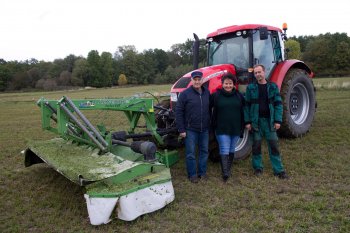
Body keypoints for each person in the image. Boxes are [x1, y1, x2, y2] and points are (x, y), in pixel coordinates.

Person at [245, 64, 289, 179]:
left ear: (264, 72)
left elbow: (278, 105)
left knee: (274, 145)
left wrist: (278, 120)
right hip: (256, 122)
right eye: (255, 73)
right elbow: (246, 106)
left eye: (259, 72)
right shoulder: (251, 88)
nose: (258, 74)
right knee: (256, 145)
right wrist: (248, 122)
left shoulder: (273, 87)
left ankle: (279, 170)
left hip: (270, 122)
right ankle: (258, 168)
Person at [175, 70, 210, 183]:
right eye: (195, 79)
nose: (197, 81)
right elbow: (178, 112)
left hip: (204, 129)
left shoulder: (207, 92)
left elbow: (210, 109)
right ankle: (192, 175)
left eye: (199, 79)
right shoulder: (185, 94)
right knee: (190, 153)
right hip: (190, 129)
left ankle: (202, 173)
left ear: (202, 80)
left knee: (204, 151)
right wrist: (181, 129)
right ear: (191, 80)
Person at [210, 73, 245, 182]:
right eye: (226, 83)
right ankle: (225, 173)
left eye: (230, 83)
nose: (228, 86)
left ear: (234, 84)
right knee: (224, 148)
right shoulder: (216, 95)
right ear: (222, 84)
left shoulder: (239, 96)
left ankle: (228, 169)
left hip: (235, 127)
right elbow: (207, 107)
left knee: (231, 149)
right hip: (221, 127)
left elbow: (244, 110)